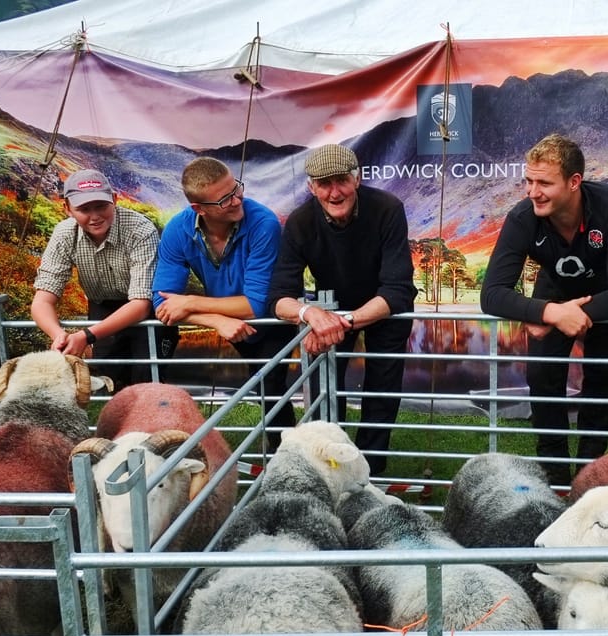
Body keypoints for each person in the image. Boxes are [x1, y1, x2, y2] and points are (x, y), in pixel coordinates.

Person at [480, 133, 608, 484]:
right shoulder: (524, 216)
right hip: (553, 294)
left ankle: (589, 478)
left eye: (544, 183)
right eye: (528, 180)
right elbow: (491, 293)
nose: (532, 191)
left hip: (606, 300)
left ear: (574, 182)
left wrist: (569, 314)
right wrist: (549, 313)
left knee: (600, 381)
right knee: (542, 378)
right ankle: (554, 477)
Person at [268, 144, 416, 475]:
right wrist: (309, 314)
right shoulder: (300, 222)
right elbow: (278, 297)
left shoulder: (388, 208)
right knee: (323, 390)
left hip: (384, 307)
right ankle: (331, 469)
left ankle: (369, 474)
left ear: (357, 179)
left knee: (383, 389)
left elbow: (397, 287)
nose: (335, 192)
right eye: (324, 183)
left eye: (341, 181)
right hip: (329, 309)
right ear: (311, 187)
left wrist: (342, 321)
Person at [152, 157, 296, 449]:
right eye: (225, 199)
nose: (236, 200)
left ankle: (283, 451)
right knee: (265, 386)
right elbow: (162, 302)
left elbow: (255, 304)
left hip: (272, 319)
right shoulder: (177, 230)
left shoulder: (263, 223)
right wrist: (215, 320)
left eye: (236, 189)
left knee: (272, 386)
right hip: (228, 319)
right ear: (199, 209)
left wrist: (191, 302)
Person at [31, 168, 174, 391]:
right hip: (102, 305)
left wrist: (86, 336)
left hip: (146, 307)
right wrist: (59, 335)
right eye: (84, 209)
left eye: (101, 206)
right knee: (111, 379)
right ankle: (120, 423)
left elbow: (141, 304)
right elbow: (42, 301)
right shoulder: (64, 235)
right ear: (67, 209)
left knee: (148, 379)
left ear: (114, 200)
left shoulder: (140, 229)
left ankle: (153, 421)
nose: (95, 216)